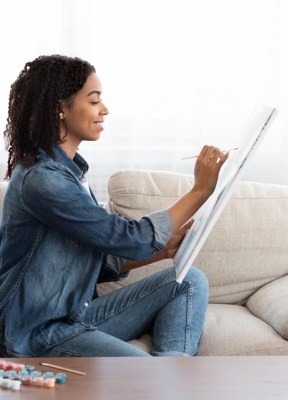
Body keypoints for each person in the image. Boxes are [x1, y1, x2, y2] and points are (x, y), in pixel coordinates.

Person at [0, 55, 228, 357]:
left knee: (188, 281)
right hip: (35, 333)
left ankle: (172, 371)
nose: (104, 110)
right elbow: (127, 239)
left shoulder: (68, 172)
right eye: (94, 101)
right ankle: (167, 380)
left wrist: (164, 250)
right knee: (143, 376)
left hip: (75, 318)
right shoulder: (43, 181)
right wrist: (200, 191)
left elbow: (98, 258)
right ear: (60, 108)